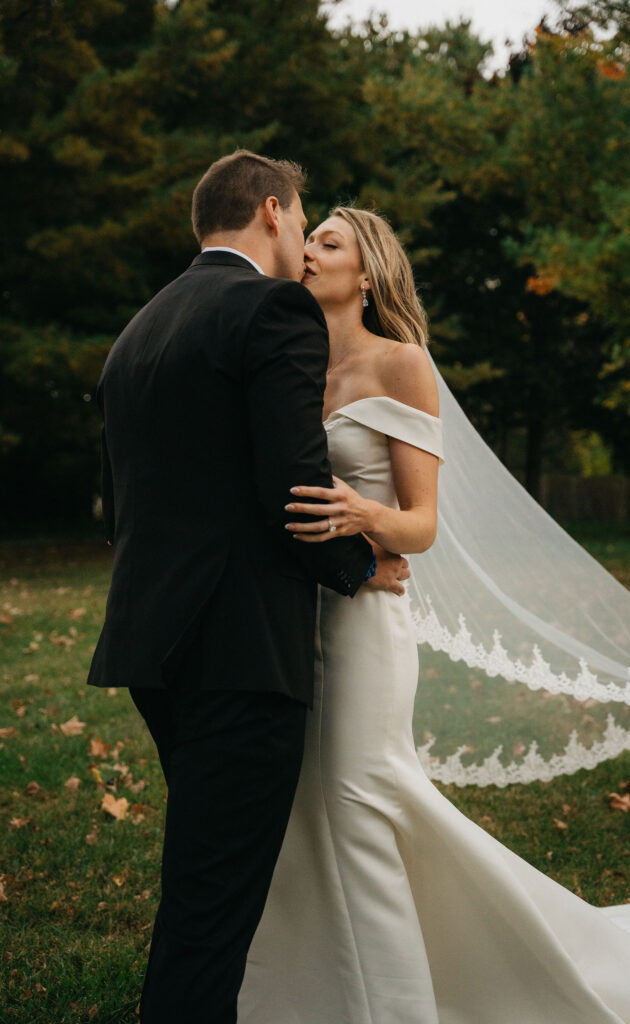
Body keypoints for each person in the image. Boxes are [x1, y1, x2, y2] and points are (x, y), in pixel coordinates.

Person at [237, 206, 630, 1023]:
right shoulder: (293, 364)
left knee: (361, 796)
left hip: (368, 628)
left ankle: (413, 1002)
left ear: (366, 273)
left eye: (326, 242)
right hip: (292, 621)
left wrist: (361, 518)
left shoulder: (399, 363)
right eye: (309, 240)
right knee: (307, 806)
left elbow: (423, 524)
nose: (307, 253)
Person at [86, 153, 410, 1024]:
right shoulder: (272, 308)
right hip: (241, 649)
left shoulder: (140, 329)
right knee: (209, 913)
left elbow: (123, 502)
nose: (303, 239)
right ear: (271, 211)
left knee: (201, 884)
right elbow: (293, 487)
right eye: (302, 219)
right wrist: (359, 566)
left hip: (152, 647)